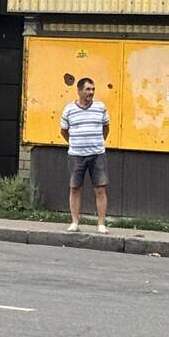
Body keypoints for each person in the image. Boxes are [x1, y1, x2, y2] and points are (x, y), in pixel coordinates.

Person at [60, 77, 111, 233]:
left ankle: (101, 224)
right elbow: (63, 130)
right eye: (88, 89)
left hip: (97, 155)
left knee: (100, 189)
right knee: (75, 188)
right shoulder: (69, 109)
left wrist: (97, 142)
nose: (91, 92)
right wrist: (75, 142)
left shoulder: (100, 107)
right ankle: (74, 222)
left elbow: (106, 128)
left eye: (93, 89)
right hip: (76, 155)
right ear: (79, 90)